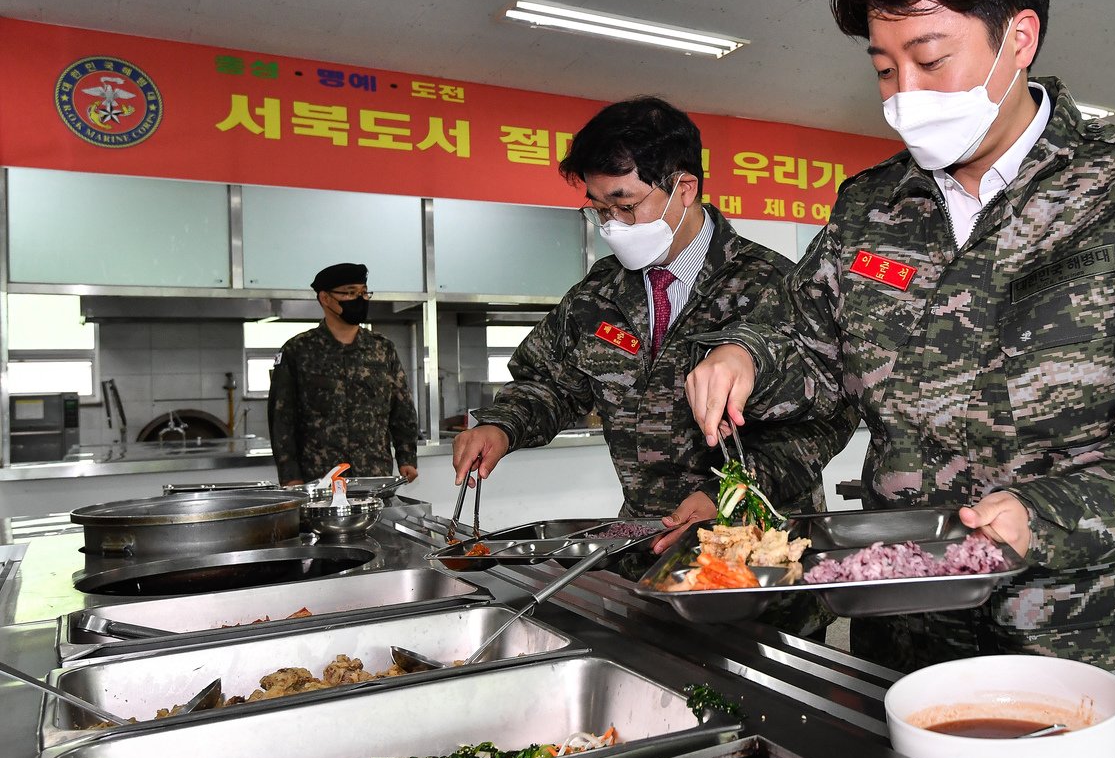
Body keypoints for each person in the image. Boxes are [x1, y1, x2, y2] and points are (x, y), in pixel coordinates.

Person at [684, 0, 1115, 758]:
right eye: (885, 68)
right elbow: (809, 349)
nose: (904, 94)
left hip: (1088, 643)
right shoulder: (871, 209)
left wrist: (1046, 512)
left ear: (1019, 38)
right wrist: (747, 355)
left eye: (932, 59)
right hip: (908, 644)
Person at [451, 97, 856, 633]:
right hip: (647, 562)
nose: (611, 224)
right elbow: (548, 382)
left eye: (625, 204)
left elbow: (827, 416)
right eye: (598, 208)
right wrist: (502, 426)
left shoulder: (774, 285)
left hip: (759, 572)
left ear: (683, 189)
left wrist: (729, 495)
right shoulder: (599, 292)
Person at [268, 262, 419, 487]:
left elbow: (402, 408)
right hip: (319, 478)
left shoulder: (382, 349)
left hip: (374, 475)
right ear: (325, 298)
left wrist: (407, 457)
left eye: (363, 292)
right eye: (350, 293)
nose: (359, 299)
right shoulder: (298, 350)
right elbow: (282, 417)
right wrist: (290, 475)